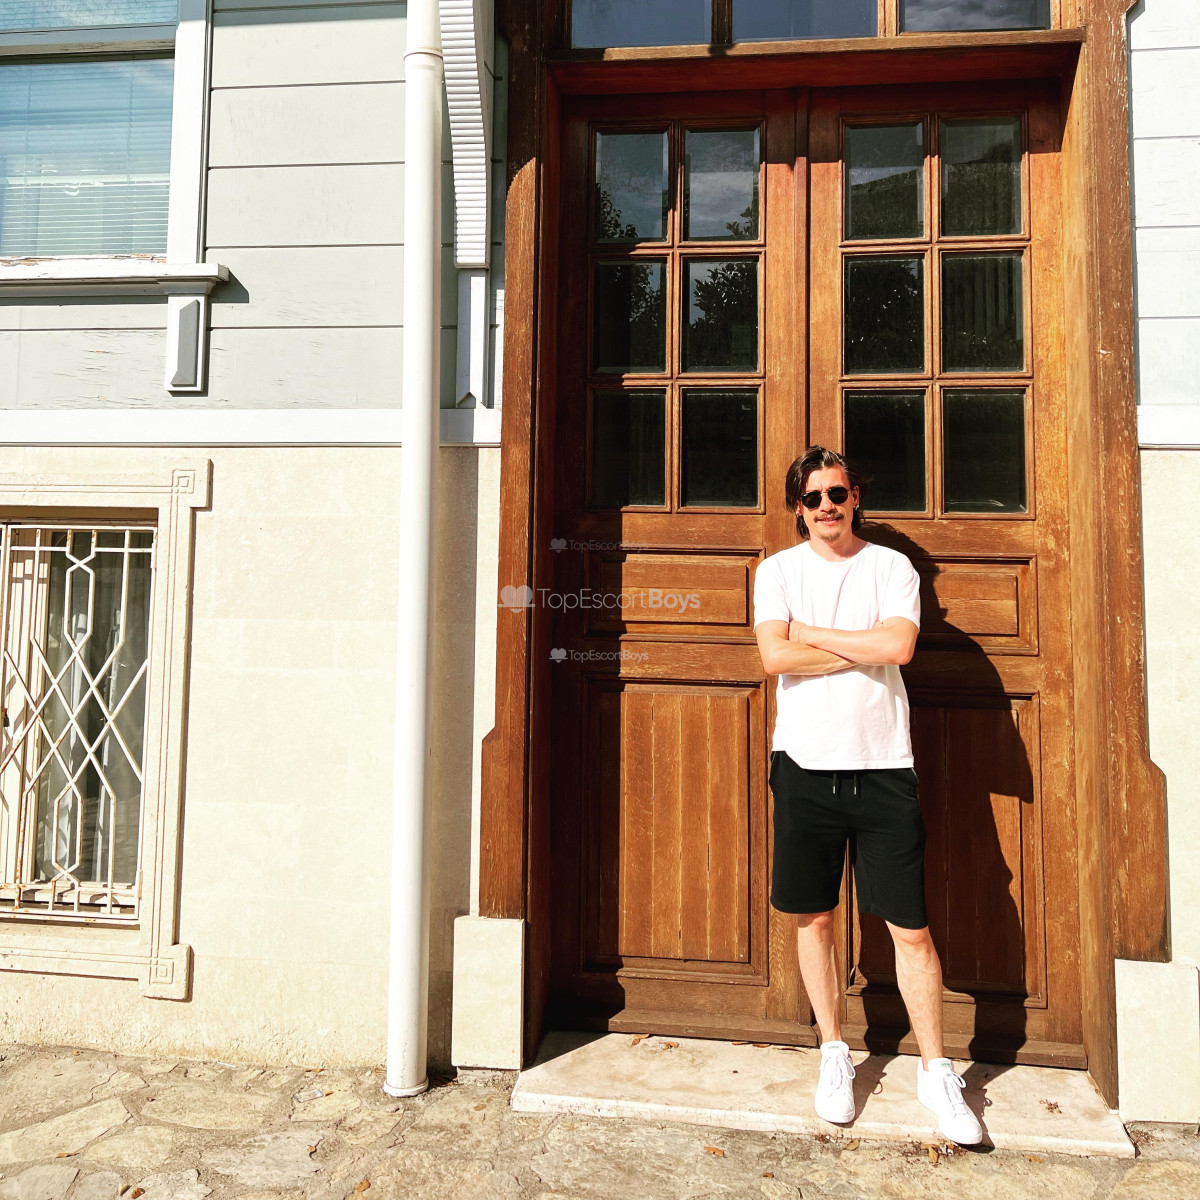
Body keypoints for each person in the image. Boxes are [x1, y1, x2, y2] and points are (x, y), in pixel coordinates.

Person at [752, 444, 982, 1146]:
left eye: (837, 494)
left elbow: (900, 648)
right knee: (815, 919)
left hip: (884, 767)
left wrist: (811, 635)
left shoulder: (892, 568)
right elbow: (774, 656)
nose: (826, 506)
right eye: (813, 497)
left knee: (910, 928)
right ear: (798, 508)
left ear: (856, 498)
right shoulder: (777, 572)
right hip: (804, 767)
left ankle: (937, 1070)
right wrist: (860, 643)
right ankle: (834, 1052)